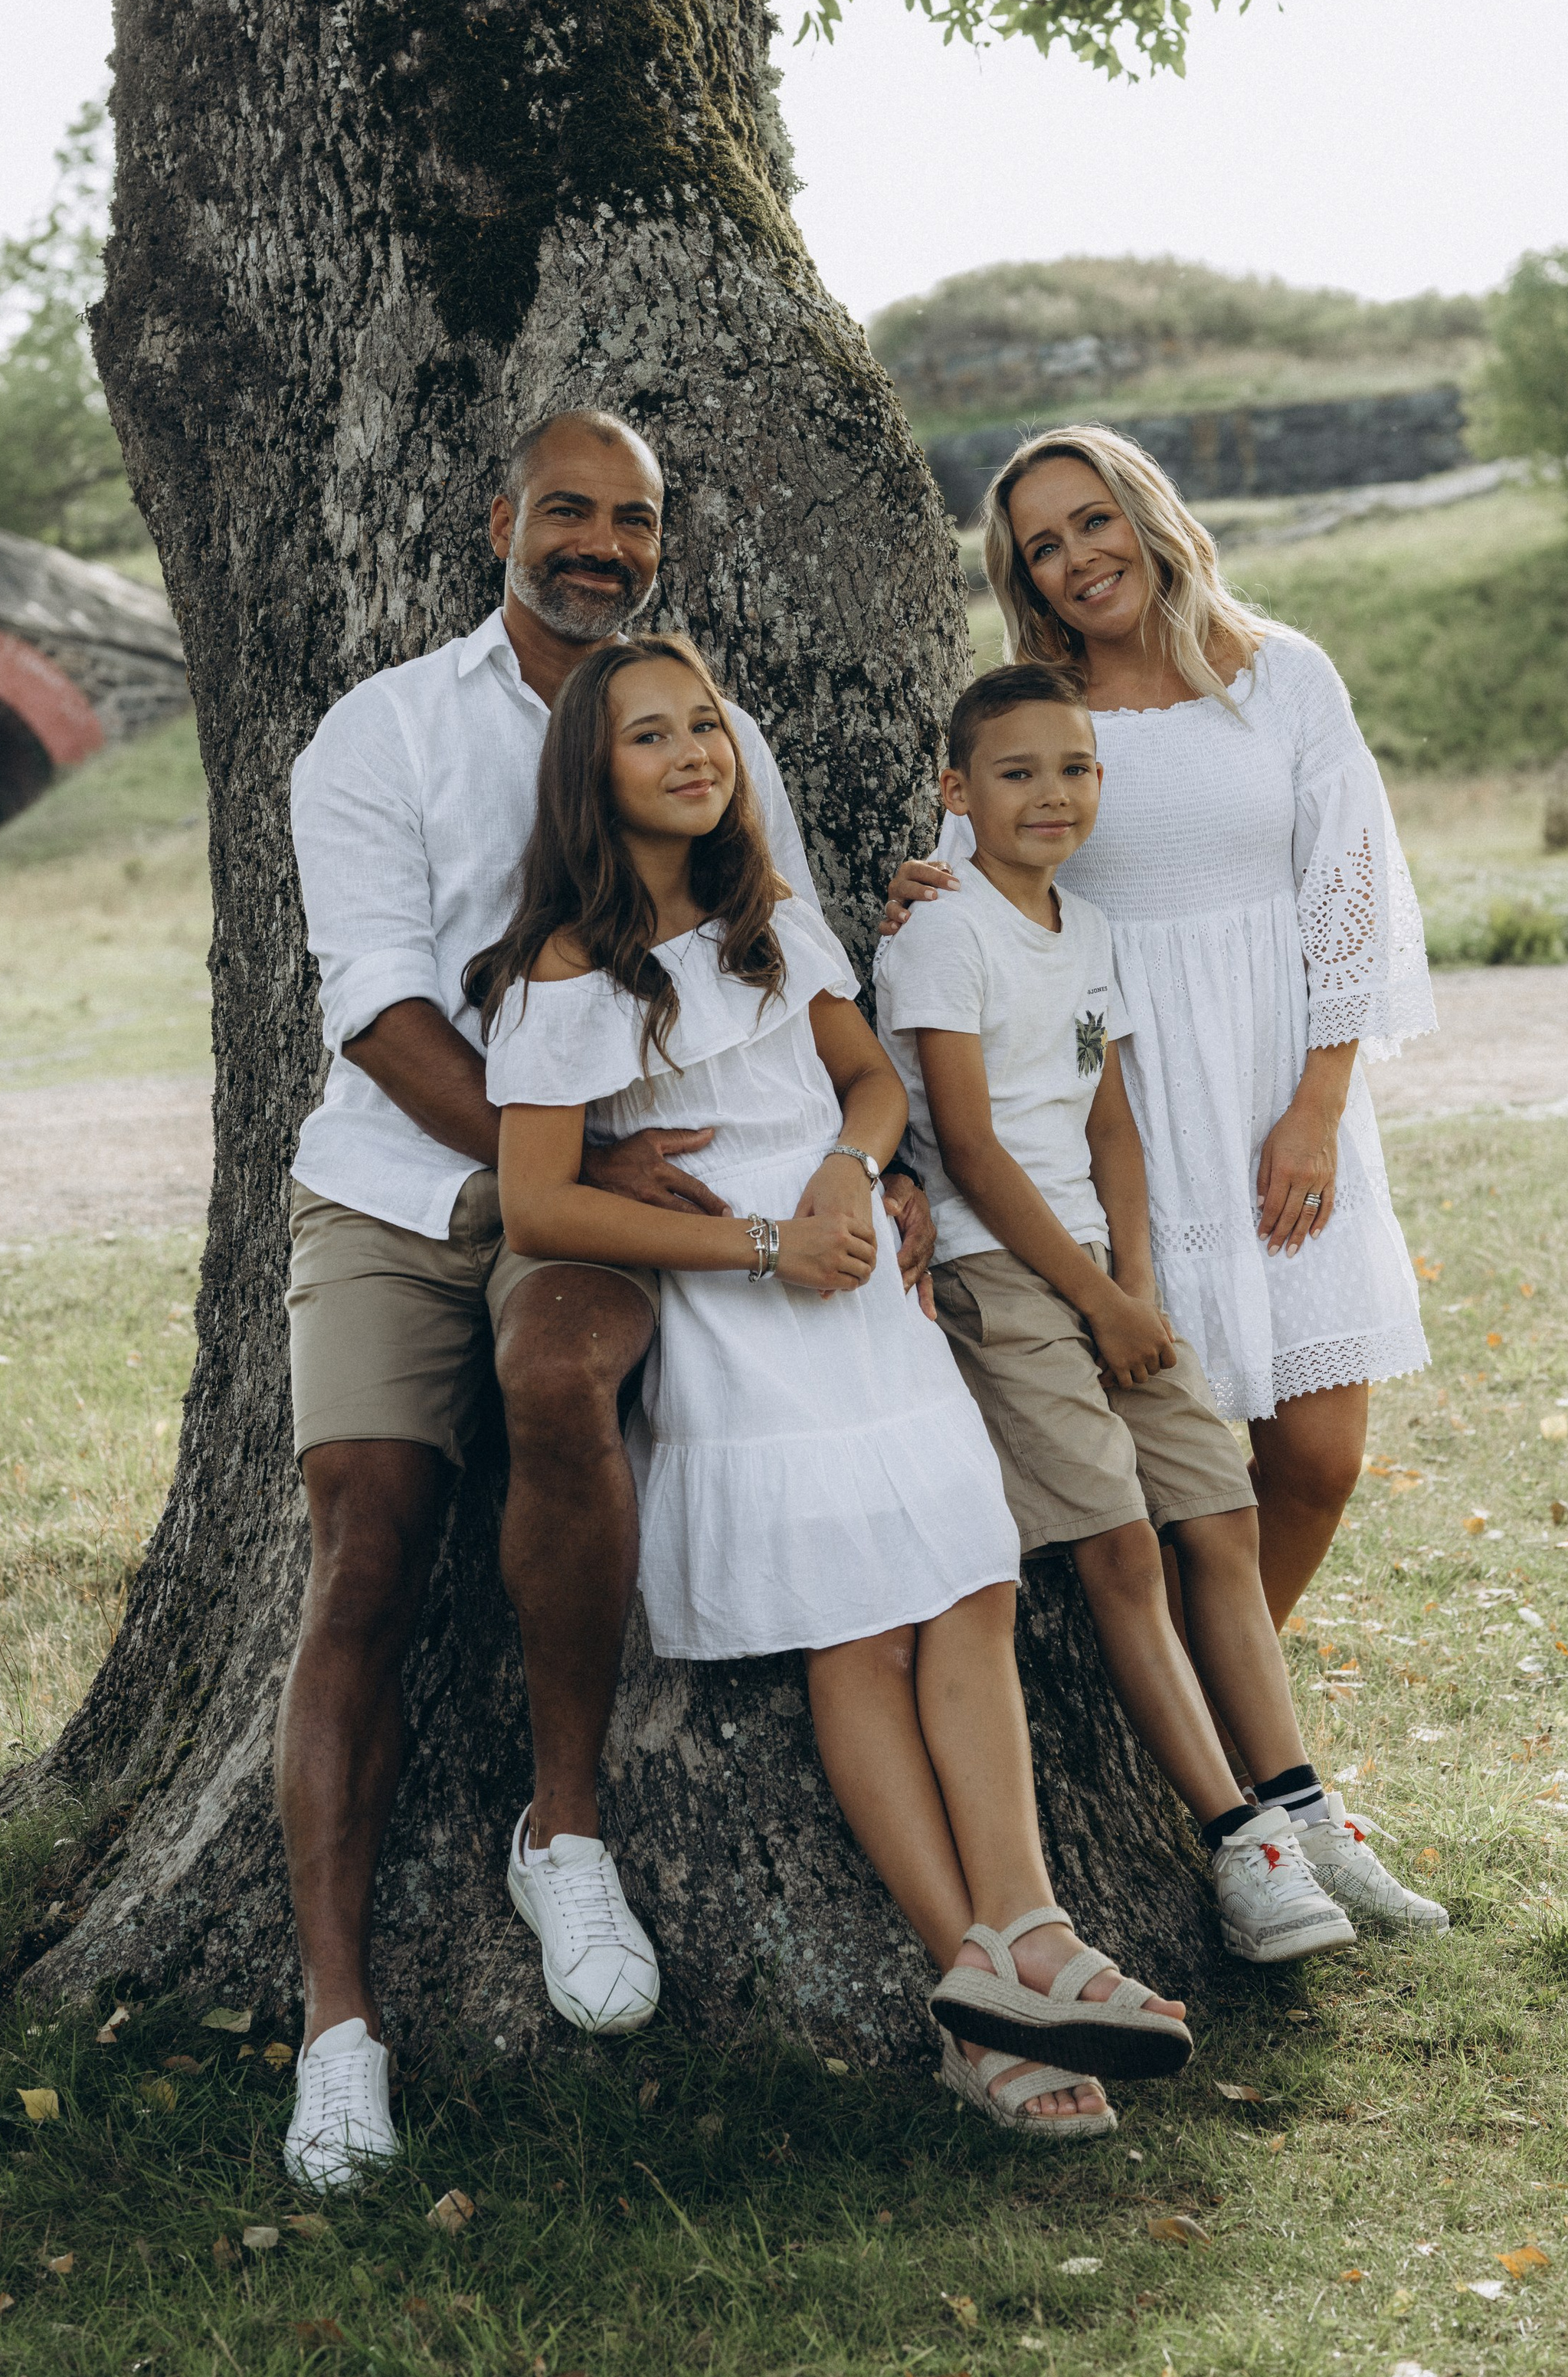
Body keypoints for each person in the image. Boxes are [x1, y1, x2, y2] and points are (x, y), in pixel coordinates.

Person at [277, 408, 939, 2191]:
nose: (595, 540)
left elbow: (789, 956)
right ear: (500, 520)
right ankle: (337, 2028)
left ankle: (559, 1826)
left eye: (628, 519)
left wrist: (872, 1164)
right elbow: (373, 1000)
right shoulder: (385, 729)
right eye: (564, 509)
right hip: (411, 1180)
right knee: (366, 1536)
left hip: (636, 1198)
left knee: (564, 1385)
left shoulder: (710, 723)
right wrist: (531, 1172)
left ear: (656, 545)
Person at [474, 630, 1200, 2138]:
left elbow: (868, 1080)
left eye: (705, 727)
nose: (691, 755)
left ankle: (1032, 1929)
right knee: (856, 1631)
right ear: (589, 775)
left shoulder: (772, 915)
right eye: (649, 736)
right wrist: (755, 1242)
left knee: (970, 1582)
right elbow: (537, 1205)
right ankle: (971, 1992)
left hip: (855, 1263)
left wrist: (841, 1174)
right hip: (739, 1301)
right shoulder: (566, 967)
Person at [875, 662, 1447, 1952]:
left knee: (1224, 1516)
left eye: (1077, 769)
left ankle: (1300, 1810)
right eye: (1017, 773)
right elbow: (969, 1147)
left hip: (1104, 1277)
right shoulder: (940, 930)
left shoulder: (1085, 931)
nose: (1054, 794)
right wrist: (1091, 1296)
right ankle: (1238, 1851)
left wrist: (1137, 1288)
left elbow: (1113, 1123)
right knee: (1121, 1546)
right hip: (1001, 1277)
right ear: (955, 793)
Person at [887, 425, 1435, 1658]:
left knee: (1315, 1455)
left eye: (1093, 520)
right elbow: (982, 885)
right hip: (1122, 1112)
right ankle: (1219, 1759)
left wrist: (1318, 1109)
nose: (1078, 559)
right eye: (1042, 548)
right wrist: (925, 887)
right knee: (1182, 1472)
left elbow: (1350, 894)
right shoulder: (1045, 713)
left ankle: (1238, 1735)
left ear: (1147, 512)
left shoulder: (1283, 676)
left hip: (1277, 1094)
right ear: (1023, 581)